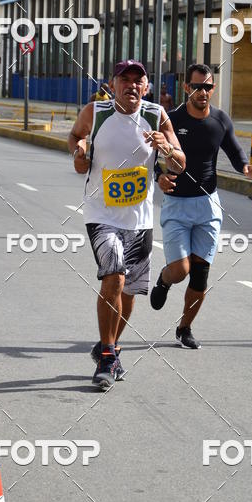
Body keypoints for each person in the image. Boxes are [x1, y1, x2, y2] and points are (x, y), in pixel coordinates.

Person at [69, 59, 185, 388]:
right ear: (113, 84)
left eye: (139, 80)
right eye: (125, 80)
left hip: (140, 219)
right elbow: (76, 138)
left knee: (131, 291)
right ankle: (107, 356)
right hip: (101, 213)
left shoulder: (156, 115)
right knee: (114, 279)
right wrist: (78, 151)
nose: (132, 85)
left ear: (146, 87)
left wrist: (167, 151)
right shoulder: (95, 112)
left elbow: (179, 163)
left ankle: (110, 347)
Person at [150, 63, 252, 349]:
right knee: (181, 269)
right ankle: (164, 279)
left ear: (212, 88)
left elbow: (235, 152)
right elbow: (149, 158)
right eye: (197, 87)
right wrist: (159, 177)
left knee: (200, 273)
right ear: (187, 88)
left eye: (207, 87)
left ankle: (184, 328)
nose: (203, 92)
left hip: (208, 205)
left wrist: (247, 167)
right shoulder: (170, 120)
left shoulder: (220, 120)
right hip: (176, 204)